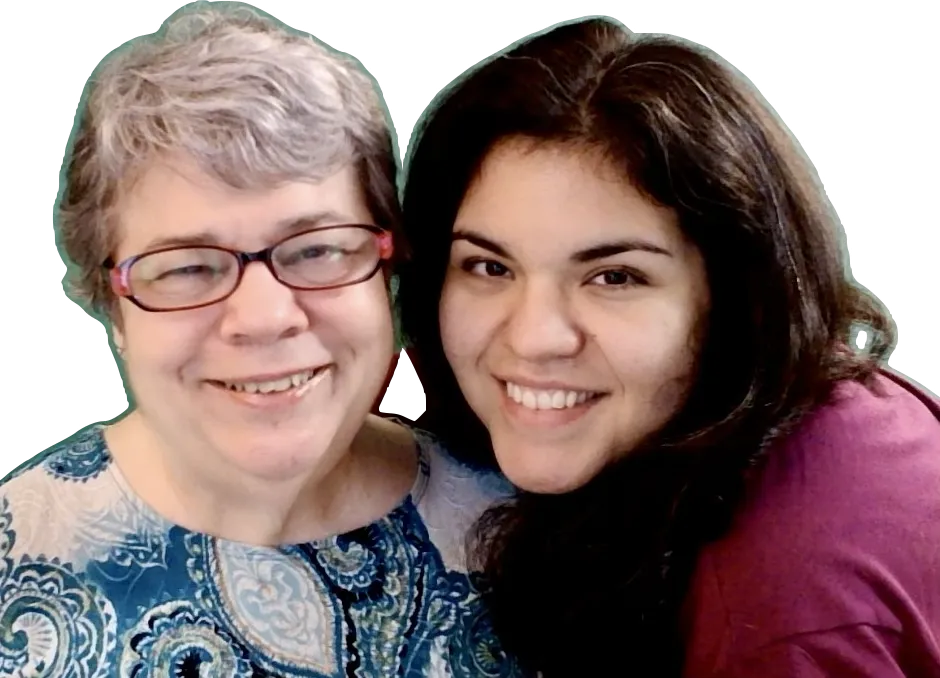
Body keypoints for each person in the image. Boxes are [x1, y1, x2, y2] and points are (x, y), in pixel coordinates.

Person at [393, 15, 940, 678]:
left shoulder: (774, 620)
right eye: (489, 267)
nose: (534, 337)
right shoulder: (795, 398)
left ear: (732, 296)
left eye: (614, 277)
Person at [1, 3, 524, 675]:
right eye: (188, 266)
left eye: (315, 251)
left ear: (389, 272)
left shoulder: (530, 539)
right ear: (112, 307)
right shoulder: (18, 556)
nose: (266, 317)